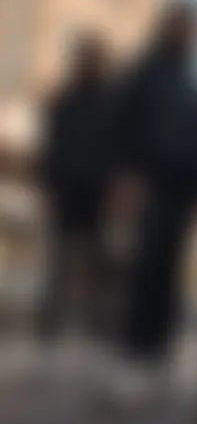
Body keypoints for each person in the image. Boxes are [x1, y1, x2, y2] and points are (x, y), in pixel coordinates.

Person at [108, 0, 197, 405]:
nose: (190, 32)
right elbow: (120, 123)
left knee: (171, 270)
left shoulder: (194, 79)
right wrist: (124, 174)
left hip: (183, 190)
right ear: (168, 25)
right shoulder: (145, 71)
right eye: (183, 24)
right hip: (148, 182)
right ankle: (134, 359)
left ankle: (161, 356)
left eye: (196, 27)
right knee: (145, 268)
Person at [37, 34, 116, 354]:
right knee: (61, 257)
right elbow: (51, 147)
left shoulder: (112, 103)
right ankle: (53, 319)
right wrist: (49, 185)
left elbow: (116, 149)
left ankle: (95, 319)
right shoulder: (63, 101)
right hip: (67, 187)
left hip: (97, 191)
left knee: (97, 257)